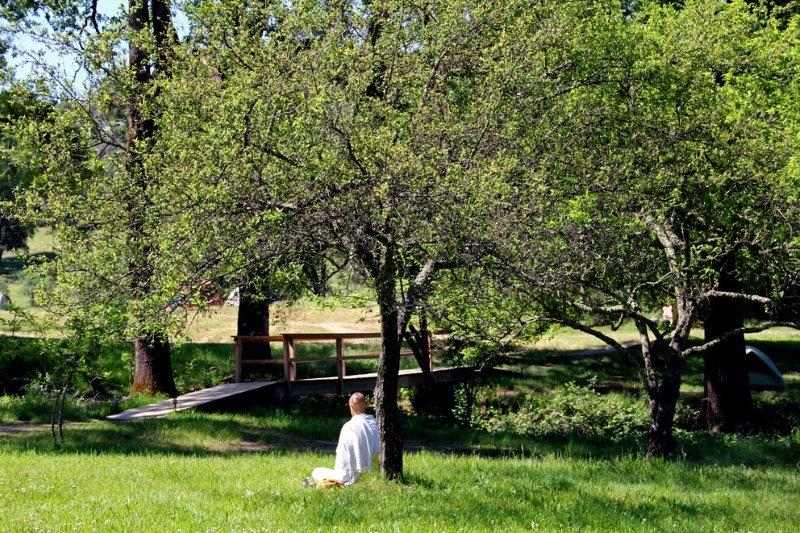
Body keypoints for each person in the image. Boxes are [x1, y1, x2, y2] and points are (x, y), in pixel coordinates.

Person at [305, 392, 379, 488]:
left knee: (316, 471)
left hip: (350, 477)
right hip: (375, 474)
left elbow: (342, 460)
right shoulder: (376, 424)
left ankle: (329, 483)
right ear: (365, 405)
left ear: (350, 406)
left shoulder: (348, 427)